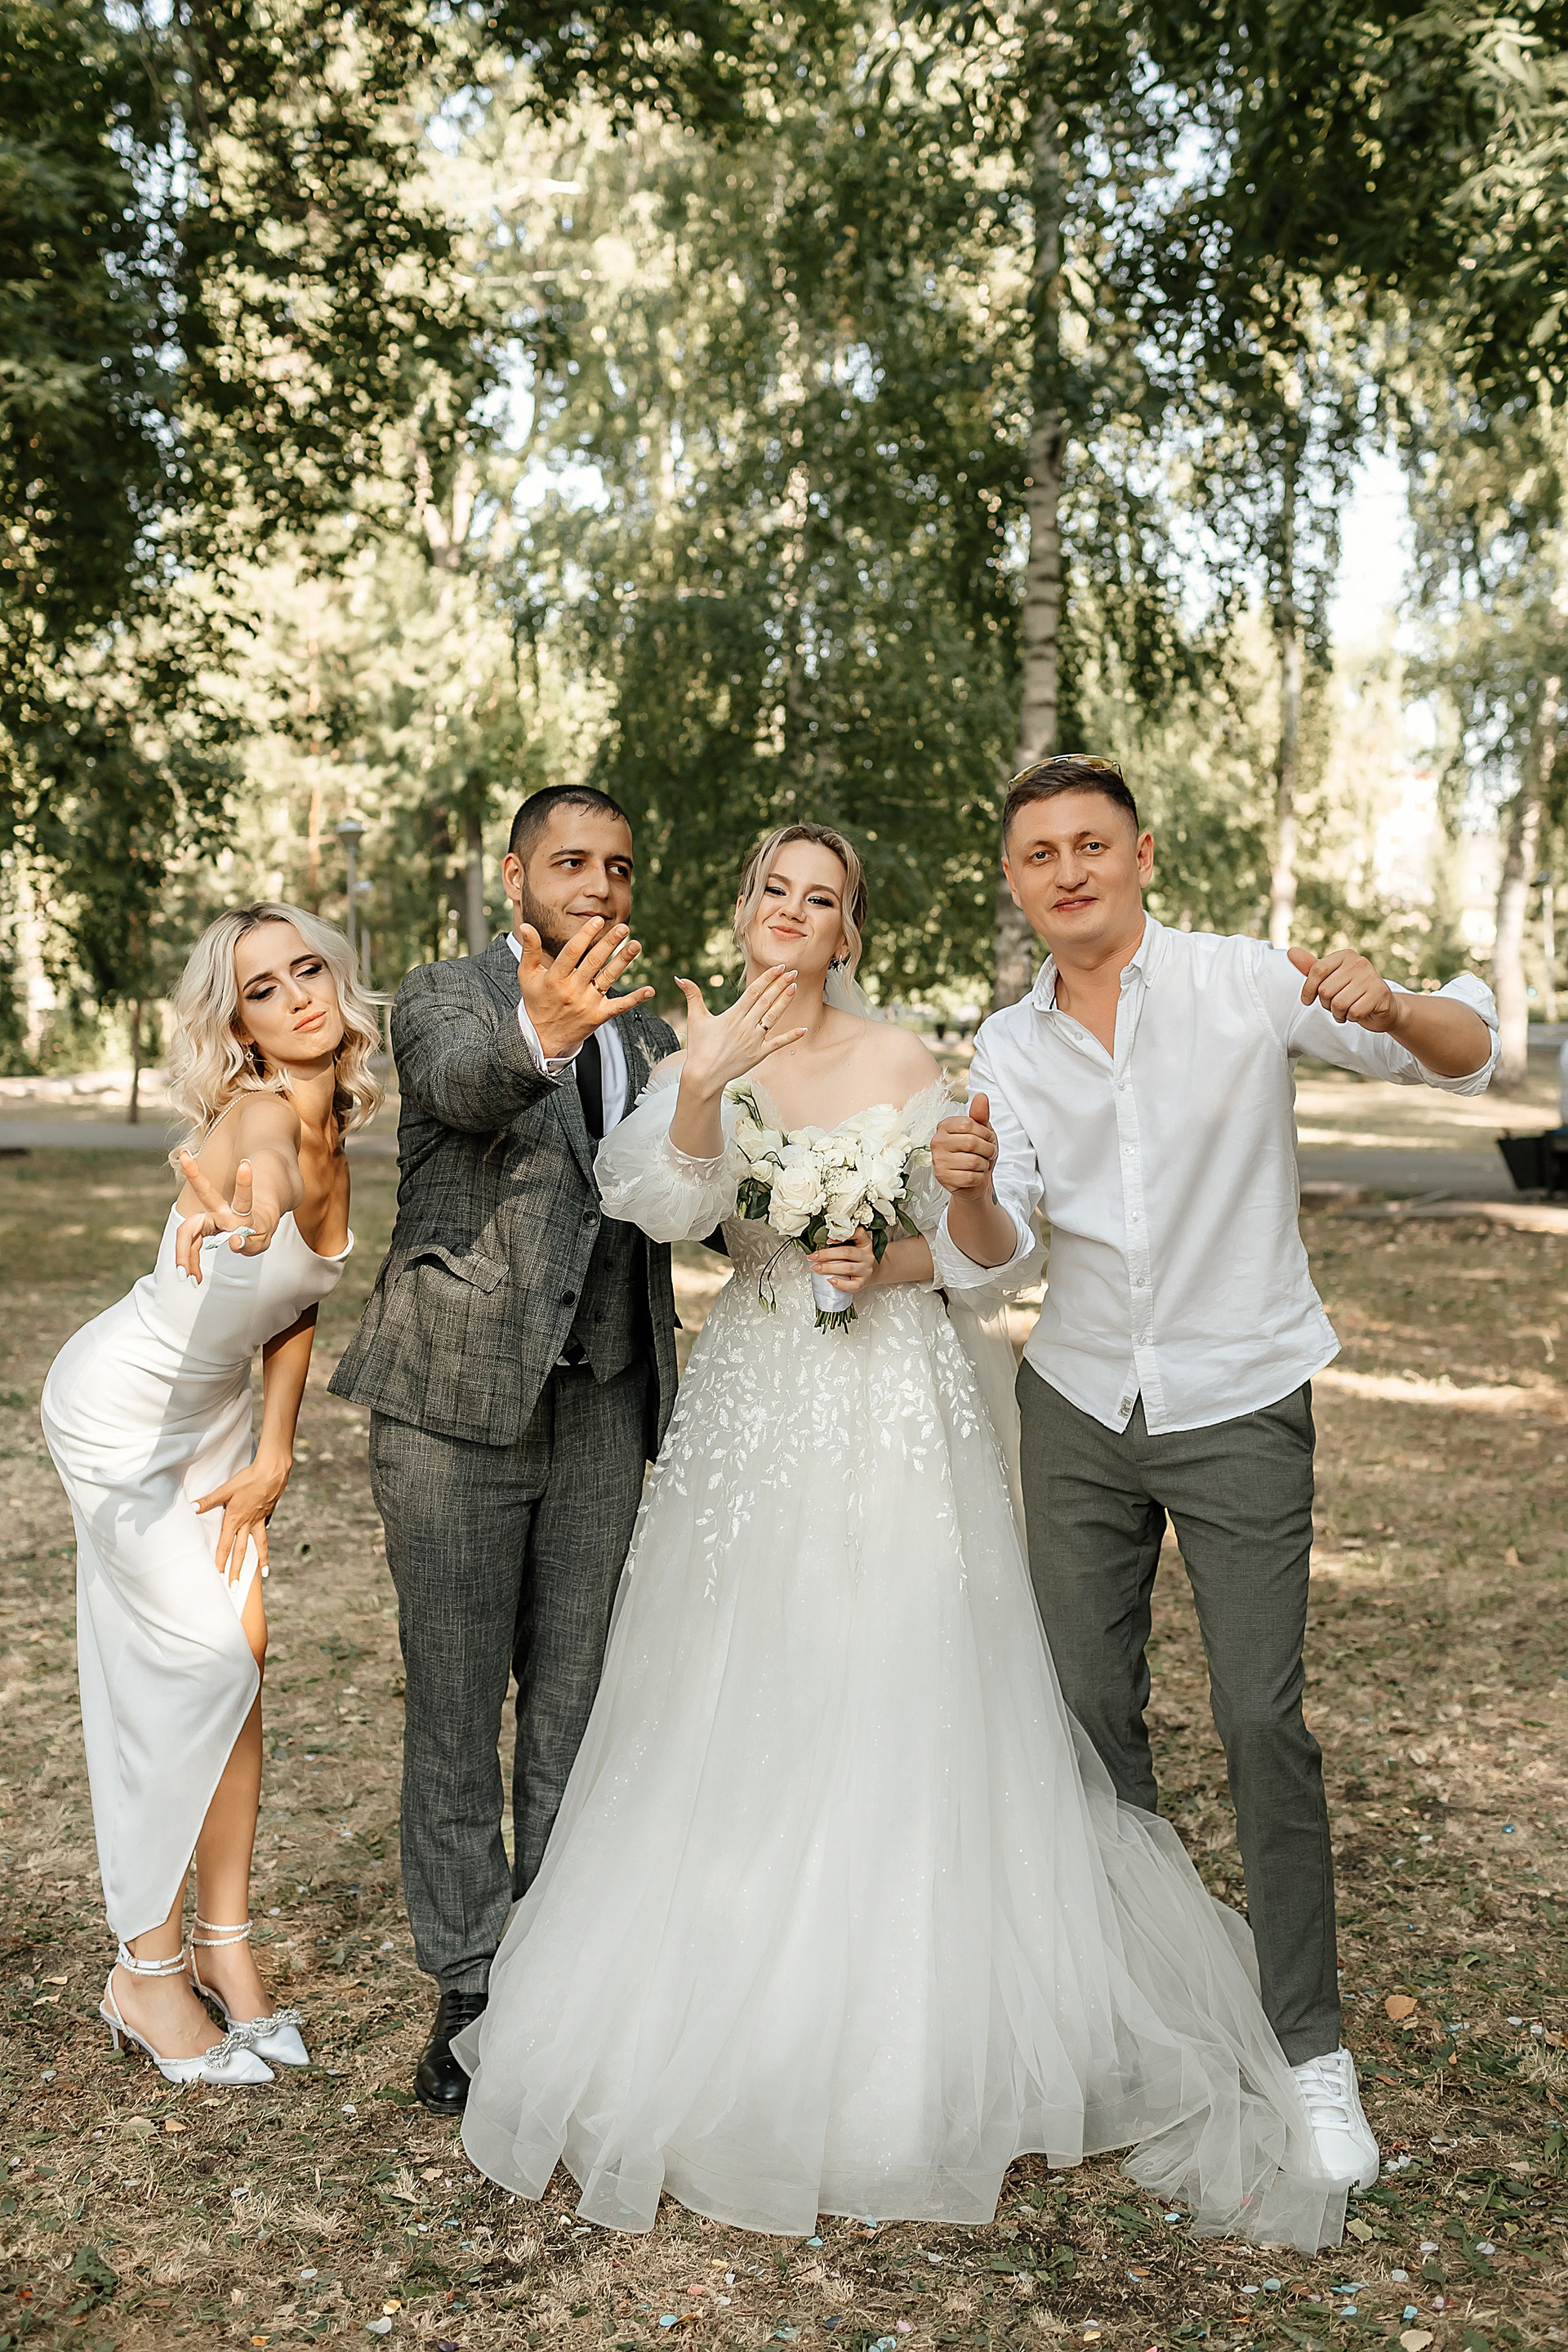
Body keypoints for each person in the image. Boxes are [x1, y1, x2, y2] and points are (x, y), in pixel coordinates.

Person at [454, 821, 1350, 2254]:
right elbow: (668, 1207)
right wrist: (708, 1081)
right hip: (756, 1399)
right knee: (742, 1681)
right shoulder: (699, 1046)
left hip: (894, 1398)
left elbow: (981, 1252)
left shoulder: (906, 1058)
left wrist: (892, 1254)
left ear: (848, 931)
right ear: (745, 909)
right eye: (774, 889)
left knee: (908, 1673)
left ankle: (923, 2016)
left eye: (822, 899)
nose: (793, 912)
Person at [929, 755, 1499, 2194]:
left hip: (1241, 1397)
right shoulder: (1008, 1045)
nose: (1068, 871)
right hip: (1079, 1405)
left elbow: (1466, 1051)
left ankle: (1309, 2050)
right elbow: (998, 1262)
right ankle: (1138, 2015)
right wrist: (973, 1192)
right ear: (1016, 883)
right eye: (1040, 854)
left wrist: (1392, 1004)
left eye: (1092, 845)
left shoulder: (1245, 981)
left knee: (1259, 1718)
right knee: (1084, 1714)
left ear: (1143, 857)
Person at [328, 786, 680, 2114]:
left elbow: (680, 1194)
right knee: (457, 1708)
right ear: (516, 873)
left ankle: (559, 1964)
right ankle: (470, 1984)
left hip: (604, 1407)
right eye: (572, 861)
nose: (600, 885)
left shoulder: (649, 1029)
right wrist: (543, 1034)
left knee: (577, 1708)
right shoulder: (442, 995)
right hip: (452, 1408)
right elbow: (462, 1089)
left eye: (620, 866)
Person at [41, 904, 377, 2085]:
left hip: (216, 1422)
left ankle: (226, 1952)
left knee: (245, 1666)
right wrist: (252, 1205)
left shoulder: (336, 1122)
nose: (296, 996)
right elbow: (264, 1178)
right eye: (261, 990)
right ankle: (145, 1972)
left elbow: (296, 1303)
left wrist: (276, 1451)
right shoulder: (264, 1116)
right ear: (237, 1028)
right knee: (200, 1669)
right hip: (120, 1416)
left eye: (306, 969)